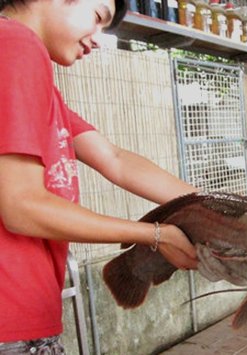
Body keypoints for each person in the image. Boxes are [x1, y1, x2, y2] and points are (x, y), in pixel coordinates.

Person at [0, 0, 199, 353]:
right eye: (97, 17)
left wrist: (218, 209)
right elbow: (21, 205)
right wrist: (155, 235)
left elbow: (115, 159)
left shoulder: (36, 79)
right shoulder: (14, 44)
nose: (97, 39)